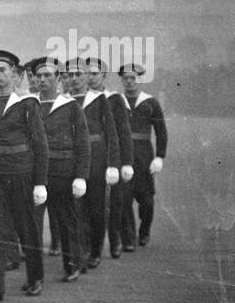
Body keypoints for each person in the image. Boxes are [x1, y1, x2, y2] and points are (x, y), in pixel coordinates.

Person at [0, 51, 48, 302]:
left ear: (15, 74)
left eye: (2, 70)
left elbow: (39, 144)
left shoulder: (27, 104)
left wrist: (40, 183)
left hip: (21, 174)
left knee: (27, 228)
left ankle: (35, 277)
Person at [30, 56, 90, 281]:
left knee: (67, 221)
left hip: (63, 171)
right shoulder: (29, 104)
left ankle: (72, 264)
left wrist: (80, 176)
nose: (43, 80)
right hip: (35, 173)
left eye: (48, 76)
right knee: (33, 224)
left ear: (58, 79)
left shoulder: (71, 106)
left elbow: (82, 143)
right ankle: (35, 275)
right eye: (39, 76)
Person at [66, 56, 119, 269]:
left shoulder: (99, 101)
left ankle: (95, 250)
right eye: (70, 75)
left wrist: (113, 164)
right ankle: (80, 250)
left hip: (96, 161)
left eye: (79, 74)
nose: (75, 79)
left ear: (87, 76)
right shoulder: (64, 101)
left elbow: (112, 134)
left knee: (95, 207)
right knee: (75, 209)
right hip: (71, 160)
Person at [119, 59, 167, 248]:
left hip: (144, 155)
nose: (129, 82)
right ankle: (128, 239)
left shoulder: (151, 102)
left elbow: (161, 130)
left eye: (133, 78)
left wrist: (159, 156)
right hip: (123, 154)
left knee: (146, 200)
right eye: (126, 78)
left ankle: (144, 231)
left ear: (140, 79)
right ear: (122, 81)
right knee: (124, 198)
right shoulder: (117, 101)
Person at [91, 62, 135, 257]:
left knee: (116, 201)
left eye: (95, 74)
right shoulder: (78, 99)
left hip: (113, 155)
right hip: (91, 157)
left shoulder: (115, 99)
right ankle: (92, 246)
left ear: (103, 75)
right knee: (93, 204)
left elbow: (124, 133)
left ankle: (116, 239)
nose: (91, 77)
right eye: (87, 73)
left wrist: (126, 163)